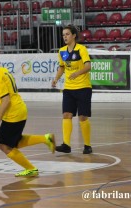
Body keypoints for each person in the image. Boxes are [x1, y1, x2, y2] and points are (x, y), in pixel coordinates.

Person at [0, 45, 56, 177]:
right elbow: (6, 92)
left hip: (12, 113)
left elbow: (6, 100)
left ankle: (31, 169)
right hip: (20, 109)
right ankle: (46, 138)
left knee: (4, 146)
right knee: (15, 141)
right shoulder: (2, 70)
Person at [51, 24, 92, 154]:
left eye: (67, 34)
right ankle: (66, 145)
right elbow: (62, 67)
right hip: (68, 89)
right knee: (66, 115)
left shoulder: (81, 49)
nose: (65, 37)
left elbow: (88, 66)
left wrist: (77, 73)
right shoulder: (61, 51)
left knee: (82, 117)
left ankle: (87, 145)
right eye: (63, 35)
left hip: (83, 88)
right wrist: (56, 78)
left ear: (74, 35)